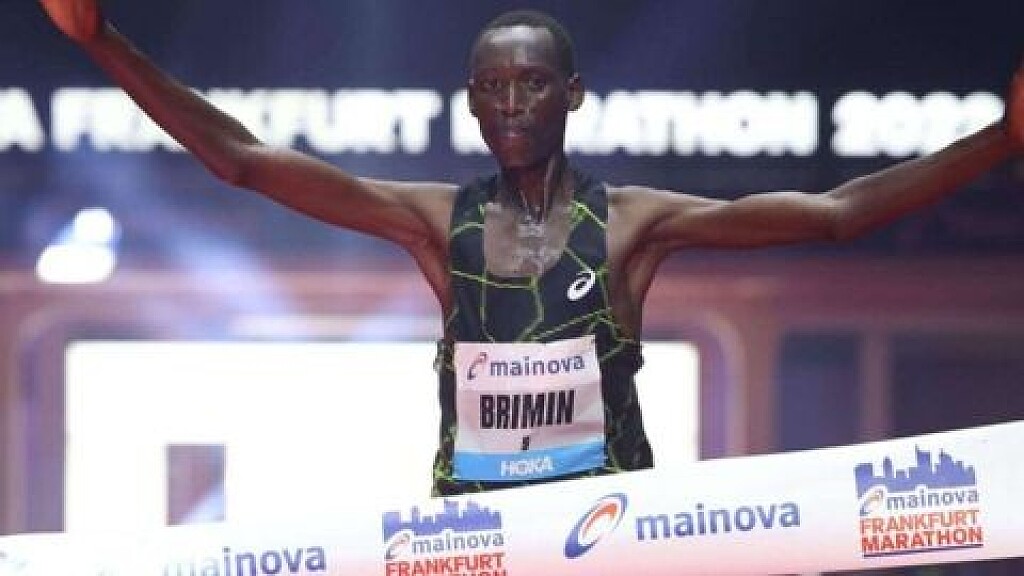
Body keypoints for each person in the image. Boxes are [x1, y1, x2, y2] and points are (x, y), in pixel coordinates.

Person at [40, 1, 1023, 496]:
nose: (512, 103)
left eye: (533, 84)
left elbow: (836, 213)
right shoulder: (436, 222)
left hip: (611, 534)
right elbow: (247, 162)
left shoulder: (632, 221)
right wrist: (101, 42)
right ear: (471, 100)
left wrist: (1004, 138)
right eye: (493, 87)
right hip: (474, 536)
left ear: (573, 94)